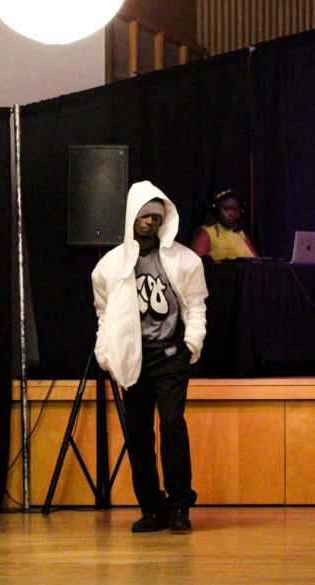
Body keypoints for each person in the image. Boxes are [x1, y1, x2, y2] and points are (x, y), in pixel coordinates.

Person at [92, 180, 208, 533]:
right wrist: (106, 355)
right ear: (132, 216)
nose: (149, 222)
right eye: (143, 216)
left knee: (173, 427)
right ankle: (152, 507)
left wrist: (192, 343)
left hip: (171, 356)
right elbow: (104, 314)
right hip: (133, 360)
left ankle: (179, 507)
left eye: (156, 217)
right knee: (139, 435)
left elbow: (196, 304)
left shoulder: (184, 259)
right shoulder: (109, 266)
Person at [189, 188, 258, 260]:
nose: (233, 214)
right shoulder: (206, 233)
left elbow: (257, 262)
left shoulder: (241, 234)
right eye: (227, 209)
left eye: (236, 210)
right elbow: (195, 268)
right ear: (216, 210)